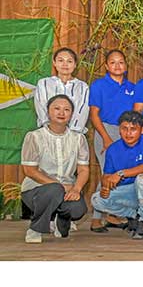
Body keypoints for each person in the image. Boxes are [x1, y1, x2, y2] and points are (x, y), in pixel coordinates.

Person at [20, 95, 89, 243]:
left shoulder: (78, 139)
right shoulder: (34, 136)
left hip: (67, 189)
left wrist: (76, 189)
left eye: (66, 109)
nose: (61, 113)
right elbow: (29, 171)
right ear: (48, 111)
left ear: (71, 114)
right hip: (36, 190)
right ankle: (35, 229)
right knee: (54, 189)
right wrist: (59, 185)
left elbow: (83, 170)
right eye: (56, 108)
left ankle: (61, 219)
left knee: (78, 209)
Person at [89, 110, 143, 239]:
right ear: (119, 129)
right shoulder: (113, 148)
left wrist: (121, 173)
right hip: (129, 191)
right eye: (124, 129)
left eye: (133, 129)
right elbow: (107, 176)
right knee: (96, 200)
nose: (128, 133)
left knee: (142, 178)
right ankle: (135, 215)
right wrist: (105, 186)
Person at [88, 49, 136, 171]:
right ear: (106, 66)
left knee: (125, 172)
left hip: (128, 132)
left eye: (121, 62)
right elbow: (94, 114)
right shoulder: (98, 85)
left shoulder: (133, 87)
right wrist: (106, 137)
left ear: (125, 66)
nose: (117, 66)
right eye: (113, 62)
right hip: (106, 130)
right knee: (108, 172)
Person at [34, 47, 89, 134]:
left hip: (74, 134)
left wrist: (72, 133)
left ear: (75, 64)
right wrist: (51, 130)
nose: (65, 64)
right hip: (47, 133)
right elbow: (41, 107)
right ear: (54, 63)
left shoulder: (82, 87)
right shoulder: (44, 83)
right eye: (61, 60)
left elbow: (82, 110)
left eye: (69, 61)